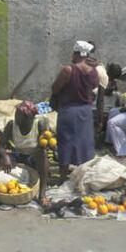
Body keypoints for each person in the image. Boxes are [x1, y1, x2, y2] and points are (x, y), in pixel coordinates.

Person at [51, 41, 99, 182]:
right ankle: (82, 178)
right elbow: (94, 88)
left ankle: (63, 177)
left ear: (77, 53)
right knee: (84, 145)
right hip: (86, 112)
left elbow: (55, 88)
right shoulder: (94, 71)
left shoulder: (68, 70)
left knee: (66, 144)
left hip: (69, 111)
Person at [0, 100, 51, 203]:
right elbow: (1, 146)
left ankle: (42, 194)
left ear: (28, 117)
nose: (16, 117)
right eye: (16, 114)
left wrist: (49, 144)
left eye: (19, 115)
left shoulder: (39, 124)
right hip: (17, 155)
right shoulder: (11, 125)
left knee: (43, 154)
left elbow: (44, 145)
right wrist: (5, 157)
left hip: (32, 157)